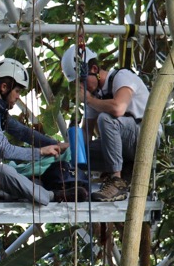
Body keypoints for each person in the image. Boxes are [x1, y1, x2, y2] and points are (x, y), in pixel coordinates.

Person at [0, 57, 87, 205]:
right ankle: (52, 195)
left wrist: (56, 145)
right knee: (4, 172)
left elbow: (23, 133)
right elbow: (5, 150)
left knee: (18, 171)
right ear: (4, 87)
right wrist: (41, 151)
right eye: (17, 91)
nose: (18, 97)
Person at [61, 45, 149, 202]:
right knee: (77, 153)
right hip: (124, 147)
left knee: (105, 118)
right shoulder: (95, 97)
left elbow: (118, 108)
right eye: (77, 83)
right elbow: (86, 134)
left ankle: (116, 181)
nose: (81, 87)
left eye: (82, 80)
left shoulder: (121, 77)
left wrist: (89, 100)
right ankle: (75, 182)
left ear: (94, 68)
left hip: (144, 139)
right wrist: (67, 149)